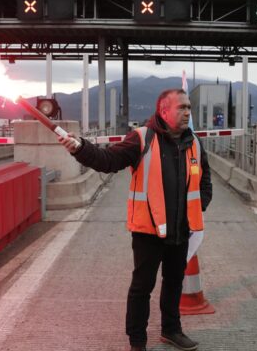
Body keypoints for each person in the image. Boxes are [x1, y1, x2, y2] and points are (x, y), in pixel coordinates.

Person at [58, 89, 212, 351]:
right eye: (181, 107)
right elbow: (108, 160)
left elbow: (204, 180)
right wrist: (81, 148)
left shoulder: (194, 143)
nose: (187, 112)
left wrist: (199, 207)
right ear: (164, 111)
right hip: (148, 231)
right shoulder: (141, 138)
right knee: (142, 287)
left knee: (174, 283)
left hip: (180, 230)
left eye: (189, 107)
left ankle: (171, 330)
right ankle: (137, 341)